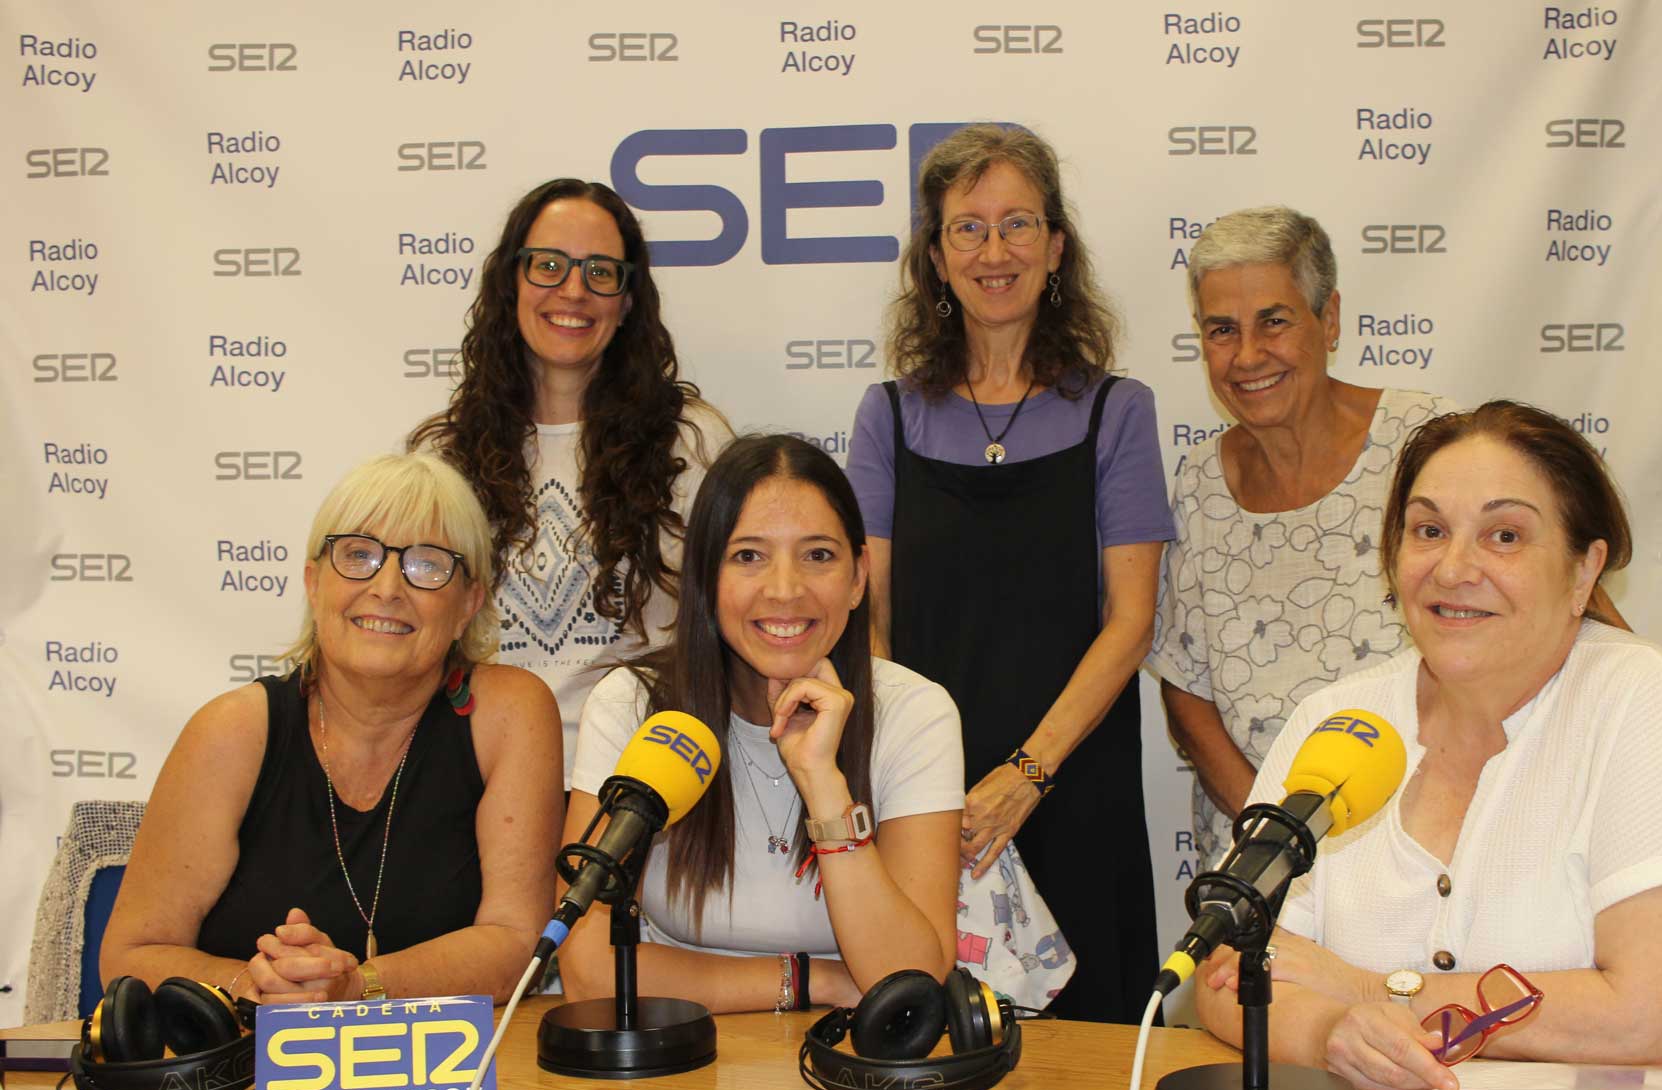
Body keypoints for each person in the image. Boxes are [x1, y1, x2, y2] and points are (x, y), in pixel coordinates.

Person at [1193, 402, 1662, 1090]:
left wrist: (1371, 992)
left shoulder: (1646, 698)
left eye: (1504, 535)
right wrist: (1331, 1036)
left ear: (1584, 570)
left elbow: (1652, 1017)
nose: (1452, 568)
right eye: (1429, 530)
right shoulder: (1337, 719)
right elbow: (1225, 975)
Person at [846, 124, 1172, 1024]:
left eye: (1018, 224)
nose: (995, 251)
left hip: (1072, 785)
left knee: (1087, 1075)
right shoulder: (888, 417)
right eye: (969, 228)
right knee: (934, 1045)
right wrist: (921, 778)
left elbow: (1131, 621)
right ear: (937, 258)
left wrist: (1028, 774)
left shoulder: (1118, 411)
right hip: (929, 799)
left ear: (1056, 247)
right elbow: (866, 619)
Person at [100, 453, 564, 1003]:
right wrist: (256, 986)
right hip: (250, 1074)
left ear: (469, 603)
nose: (388, 587)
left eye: (426, 565)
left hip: (445, 1081)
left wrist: (354, 985)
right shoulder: (232, 730)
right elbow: (131, 953)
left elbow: (519, 945)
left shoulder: (509, 713)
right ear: (313, 583)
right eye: (359, 555)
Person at [558, 435, 962, 1012]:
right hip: (684, 1057)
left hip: (856, 1060)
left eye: (818, 555)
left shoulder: (914, 712)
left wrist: (823, 782)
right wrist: (811, 981)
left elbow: (910, 980)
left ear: (858, 577)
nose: (785, 589)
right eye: (748, 556)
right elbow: (589, 969)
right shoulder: (632, 707)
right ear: (705, 578)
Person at [1149, 205, 1464, 869]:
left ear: (1330, 319)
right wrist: (1272, 826)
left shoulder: (1427, 442)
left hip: (1426, 842)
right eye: (1221, 330)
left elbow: (1533, 620)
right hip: (1262, 852)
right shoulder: (1200, 482)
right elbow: (1186, 687)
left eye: (1274, 321)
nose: (1247, 356)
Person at [410, 178, 732, 793]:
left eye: (601, 272)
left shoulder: (691, 442)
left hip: (638, 785)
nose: (574, 290)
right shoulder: (442, 458)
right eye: (549, 266)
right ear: (511, 282)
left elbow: (726, 626)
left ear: (629, 299)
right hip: (474, 784)